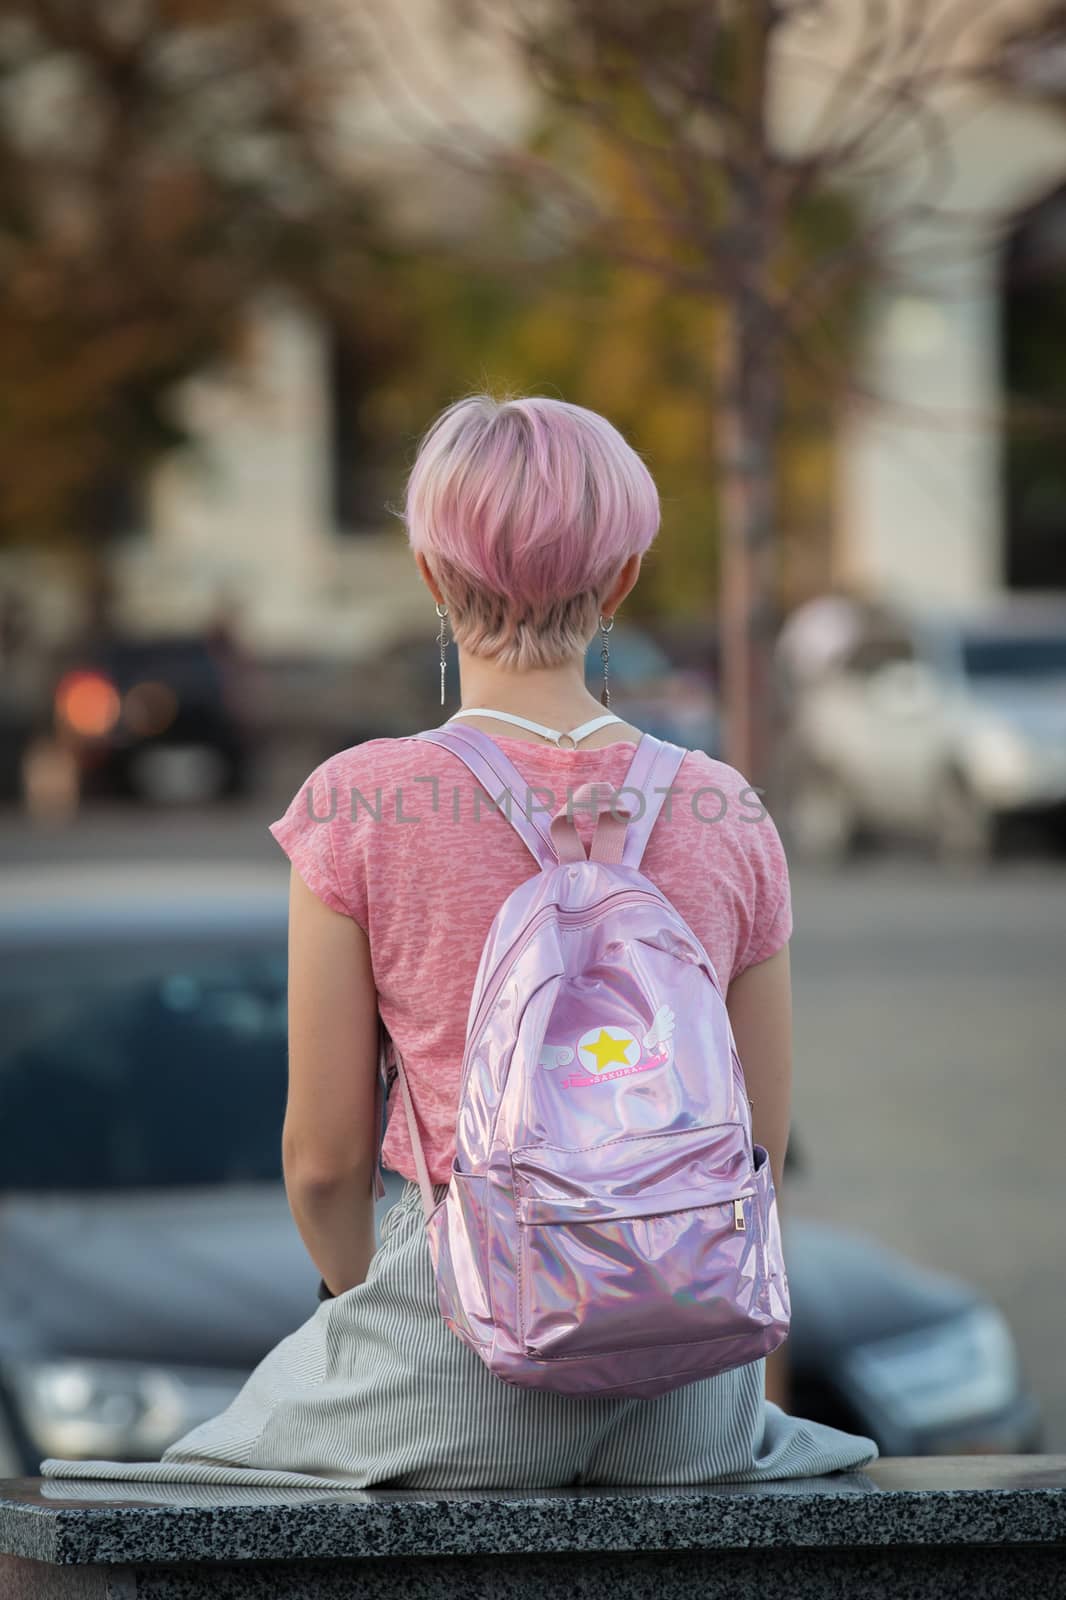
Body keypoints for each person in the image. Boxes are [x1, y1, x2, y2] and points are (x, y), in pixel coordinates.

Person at [39, 393, 878, 1490]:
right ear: (622, 581)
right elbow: (751, 1152)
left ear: (431, 577)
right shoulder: (729, 811)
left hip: (448, 1375)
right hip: (686, 1398)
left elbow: (325, 1162)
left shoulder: (361, 804)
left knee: (157, 1491)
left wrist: (369, 1307)